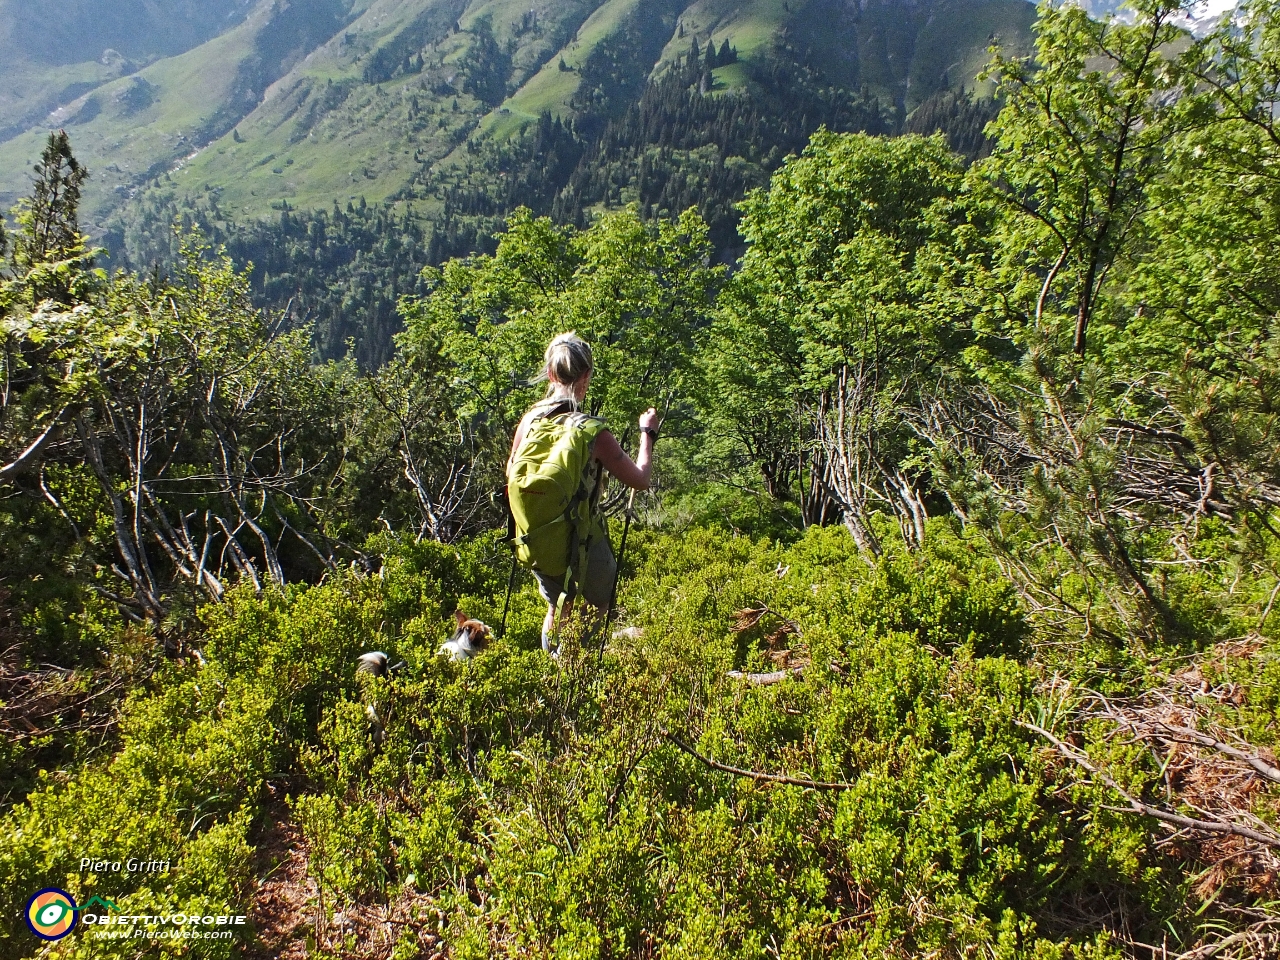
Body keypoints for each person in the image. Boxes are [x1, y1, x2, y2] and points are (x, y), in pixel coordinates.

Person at [507, 332, 659, 653]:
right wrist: (647, 434)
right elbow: (640, 479)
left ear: (550, 374)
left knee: (557, 608)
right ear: (586, 376)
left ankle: (553, 671)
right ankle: (579, 670)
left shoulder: (529, 421)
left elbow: (510, 474)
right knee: (600, 603)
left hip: (539, 539)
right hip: (584, 541)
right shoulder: (593, 432)